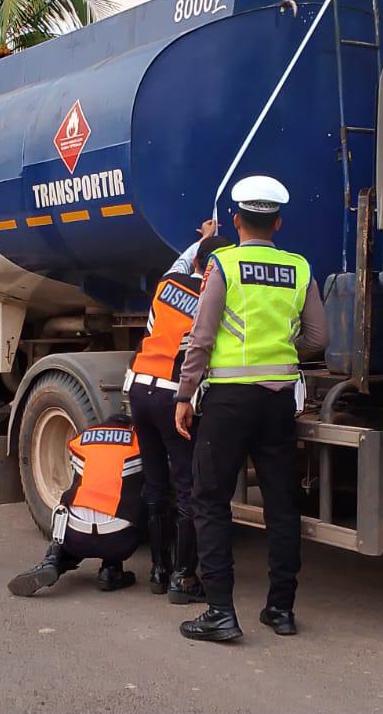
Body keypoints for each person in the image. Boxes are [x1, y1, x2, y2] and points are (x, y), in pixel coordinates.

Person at [174, 175, 328, 641]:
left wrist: (184, 394)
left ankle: (220, 612)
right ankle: (280, 610)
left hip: (228, 403)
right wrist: (282, 354)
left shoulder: (223, 264)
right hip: (279, 401)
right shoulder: (299, 269)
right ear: (278, 222)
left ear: (237, 220)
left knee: (210, 500)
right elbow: (318, 338)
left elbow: (201, 337)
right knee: (282, 505)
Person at [125, 228, 231, 602]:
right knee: (186, 486)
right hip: (173, 395)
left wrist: (204, 238)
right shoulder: (213, 295)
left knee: (155, 482)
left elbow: (184, 261)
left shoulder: (167, 283)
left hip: (139, 388)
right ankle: (184, 578)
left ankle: (158, 570)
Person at [7, 415, 146, 596]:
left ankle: (53, 559)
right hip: (119, 541)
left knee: (74, 498)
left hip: (77, 538)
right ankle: (111, 569)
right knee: (138, 498)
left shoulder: (82, 440)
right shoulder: (138, 442)